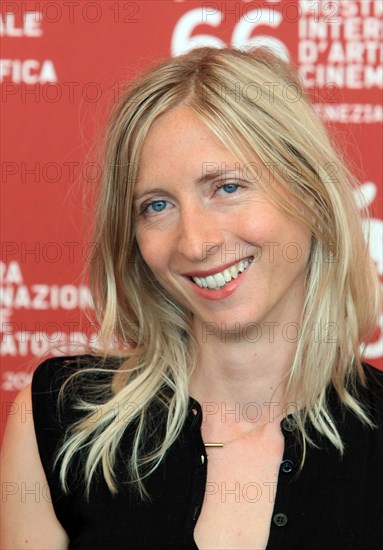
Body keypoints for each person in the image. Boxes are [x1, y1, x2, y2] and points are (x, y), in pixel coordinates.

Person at [1, 46, 382, 550]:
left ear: (309, 194)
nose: (195, 242)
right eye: (157, 205)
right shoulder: (60, 420)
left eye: (226, 187)